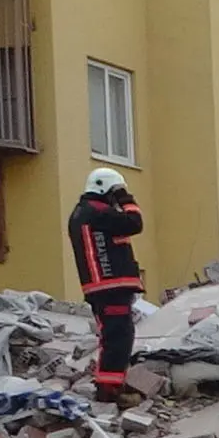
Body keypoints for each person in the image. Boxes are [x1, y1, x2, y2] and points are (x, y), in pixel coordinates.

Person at [66, 167, 144, 404]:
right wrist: (126, 198)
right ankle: (109, 391)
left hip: (100, 287)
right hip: (111, 285)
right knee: (118, 337)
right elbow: (135, 222)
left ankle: (110, 385)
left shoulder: (82, 212)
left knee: (113, 336)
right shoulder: (99, 211)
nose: (117, 198)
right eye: (115, 192)